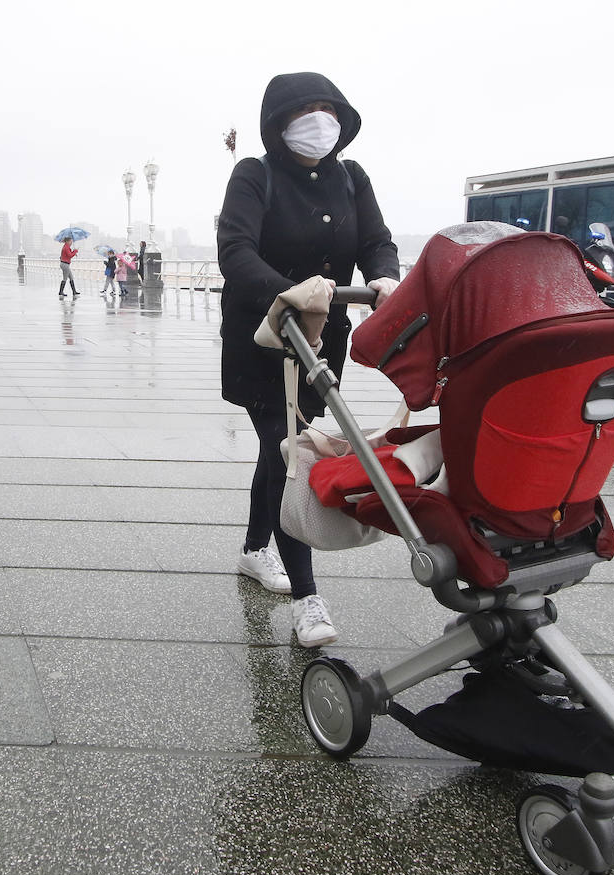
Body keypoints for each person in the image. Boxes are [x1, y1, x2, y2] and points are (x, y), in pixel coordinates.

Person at [216, 72, 400, 647]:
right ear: (278, 121)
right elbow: (235, 251)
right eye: (305, 110)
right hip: (264, 337)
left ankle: (253, 551)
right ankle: (307, 598)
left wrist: (385, 278)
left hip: (323, 340)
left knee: (280, 449)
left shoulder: (352, 177)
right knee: (288, 450)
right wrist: (287, 292)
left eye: (328, 109)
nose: (318, 121)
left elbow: (375, 239)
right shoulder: (255, 174)